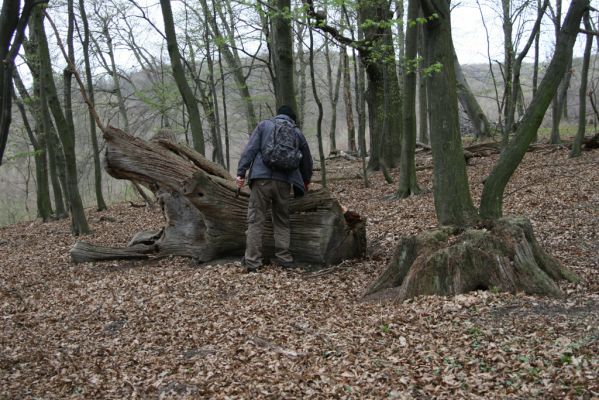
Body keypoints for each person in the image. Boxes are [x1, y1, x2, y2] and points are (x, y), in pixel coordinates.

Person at [236, 105, 313, 272]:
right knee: (282, 220)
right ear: (292, 118)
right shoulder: (296, 133)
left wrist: (241, 173)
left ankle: (252, 261)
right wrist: (306, 180)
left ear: (278, 114)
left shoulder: (264, 125)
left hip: (261, 180)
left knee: (256, 220)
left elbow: (250, 150)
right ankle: (284, 258)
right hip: (284, 182)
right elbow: (306, 160)